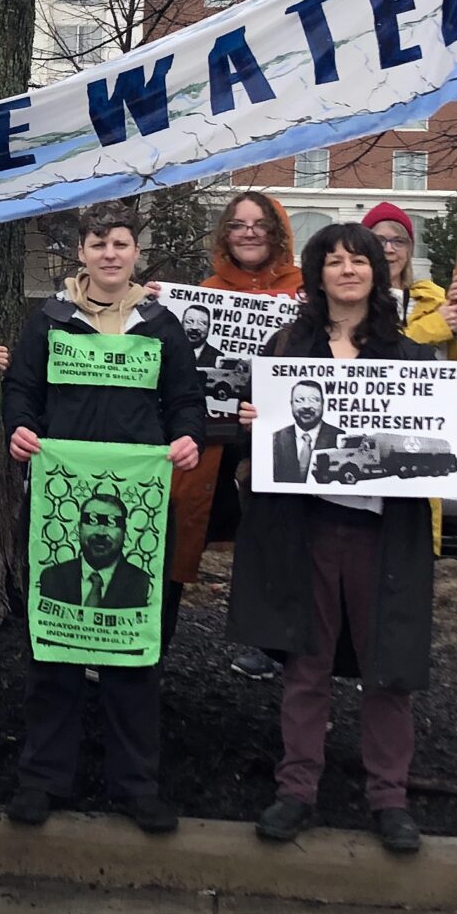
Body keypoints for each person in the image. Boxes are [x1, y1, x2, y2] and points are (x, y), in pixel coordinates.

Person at [228, 223, 452, 854]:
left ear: (378, 273)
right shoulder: (286, 348)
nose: (348, 270)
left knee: (389, 669)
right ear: (316, 272)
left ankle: (389, 797)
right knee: (307, 663)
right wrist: (252, 420)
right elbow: (259, 447)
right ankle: (297, 789)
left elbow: (432, 446)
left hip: (384, 533)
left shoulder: (409, 358)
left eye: (361, 260)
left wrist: (453, 421)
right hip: (307, 530)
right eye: (335, 260)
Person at [2, 202, 203, 834]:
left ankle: (136, 784)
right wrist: (20, 430)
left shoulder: (163, 326)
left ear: (135, 253)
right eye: (98, 243)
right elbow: (23, 391)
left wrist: (187, 437)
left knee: (132, 646)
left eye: (120, 243)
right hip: (62, 502)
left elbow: (184, 400)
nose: (109, 253)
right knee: (54, 638)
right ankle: (42, 778)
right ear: (81, 252)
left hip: (138, 508)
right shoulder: (50, 320)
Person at [164, 192, 306, 683]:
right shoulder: (202, 293)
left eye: (260, 223)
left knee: (277, 543)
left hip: (277, 438)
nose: (248, 232)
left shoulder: (307, 293)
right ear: (224, 233)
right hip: (210, 441)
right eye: (238, 224)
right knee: (179, 535)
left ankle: (276, 647)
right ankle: (151, 642)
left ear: (278, 232)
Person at [361, 201, 457, 351]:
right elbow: (372, 355)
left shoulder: (433, 299)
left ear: (409, 250)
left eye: (399, 241)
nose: (389, 249)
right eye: (379, 241)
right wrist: (436, 325)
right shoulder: (352, 302)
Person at [35, 489, 155, 607]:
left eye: (111, 523)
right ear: (79, 527)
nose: (101, 532)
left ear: (124, 531)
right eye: (92, 521)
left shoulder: (144, 583)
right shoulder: (52, 577)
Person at [270, 378, 340, 484]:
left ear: (323, 403)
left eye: (313, 400)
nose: (306, 406)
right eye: (299, 400)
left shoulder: (340, 436)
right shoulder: (275, 439)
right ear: (291, 404)